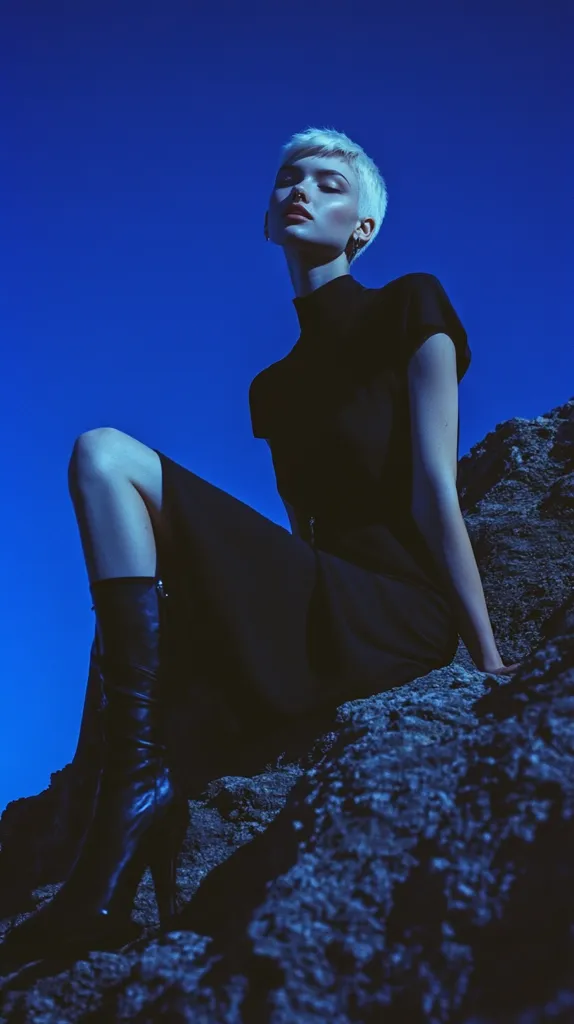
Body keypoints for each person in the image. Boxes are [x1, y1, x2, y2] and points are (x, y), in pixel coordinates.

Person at [0, 125, 521, 968]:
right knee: (126, 535)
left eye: (328, 183)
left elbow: (434, 491)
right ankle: (114, 855)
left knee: (104, 453)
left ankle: (132, 802)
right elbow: (299, 534)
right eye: (288, 179)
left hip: (399, 611)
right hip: (323, 592)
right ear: (268, 216)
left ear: (363, 228)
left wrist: (487, 658)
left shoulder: (410, 306)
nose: (300, 190)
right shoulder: (271, 390)